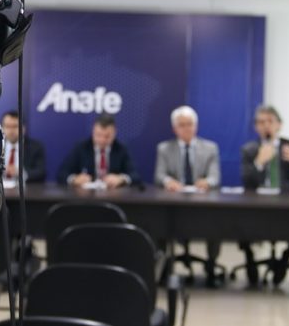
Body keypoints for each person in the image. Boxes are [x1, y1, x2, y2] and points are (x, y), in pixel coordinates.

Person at [240, 104, 289, 286]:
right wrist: (259, 162)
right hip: (258, 205)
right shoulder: (250, 149)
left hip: (285, 204)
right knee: (240, 218)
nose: (266, 126)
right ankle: (249, 257)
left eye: (270, 121)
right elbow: (247, 182)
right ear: (256, 127)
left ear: (279, 124)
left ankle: (286, 257)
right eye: (261, 122)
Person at [154, 105, 222, 287]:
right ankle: (163, 269)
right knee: (158, 222)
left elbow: (215, 177)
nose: (187, 129)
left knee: (218, 222)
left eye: (190, 124)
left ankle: (211, 266)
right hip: (174, 203)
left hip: (203, 203)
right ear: (175, 128)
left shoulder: (210, 148)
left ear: (196, 126)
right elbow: (159, 175)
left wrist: (207, 182)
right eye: (182, 125)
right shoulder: (164, 148)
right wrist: (169, 181)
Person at [57, 114, 139, 188]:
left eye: (107, 136)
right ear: (93, 132)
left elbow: (135, 175)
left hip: (114, 196)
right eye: (98, 135)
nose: (102, 140)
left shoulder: (121, 149)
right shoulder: (81, 148)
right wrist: (75, 179)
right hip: (85, 197)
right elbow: (62, 174)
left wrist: (121, 179)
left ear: (114, 133)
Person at [0, 110, 46, 182]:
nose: (11, 131)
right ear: (2, 128)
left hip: (25, 188)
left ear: (24, 128)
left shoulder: (35, 147)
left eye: (15, 126)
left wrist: (20, 173)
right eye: (7, 126)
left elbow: (40, 172)